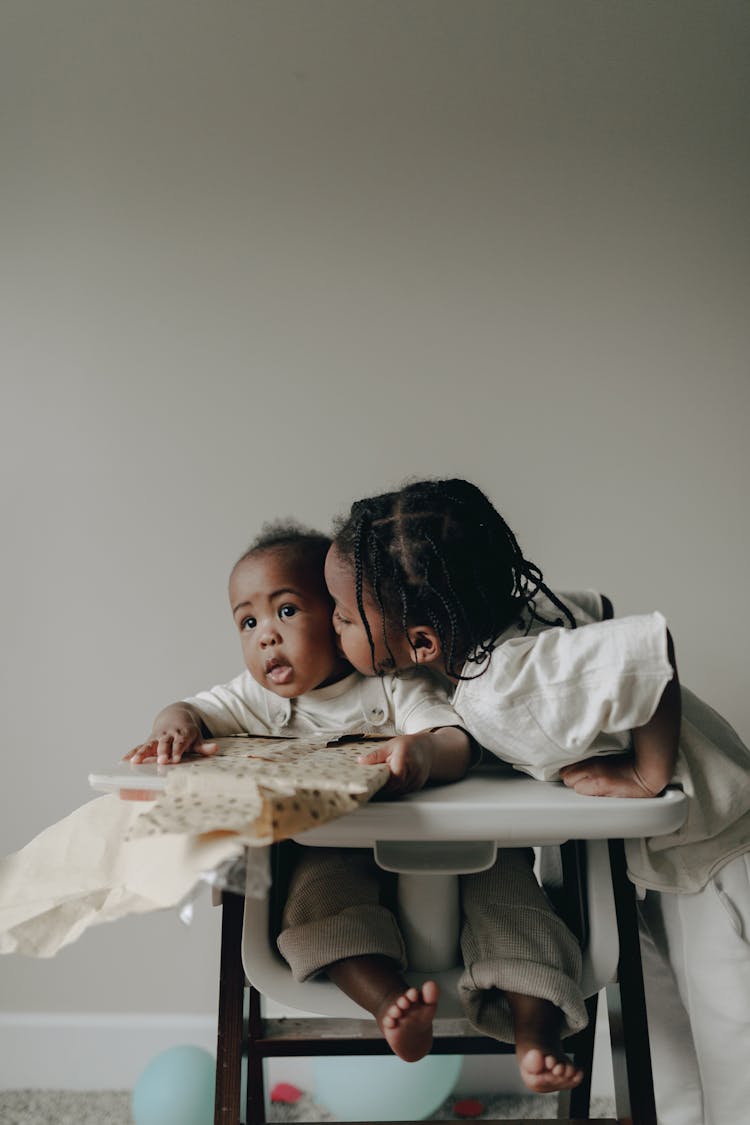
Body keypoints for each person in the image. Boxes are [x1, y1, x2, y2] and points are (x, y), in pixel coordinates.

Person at [326, 476, 750, 1125]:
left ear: (422, 643)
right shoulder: (488, 642)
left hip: (721, 847)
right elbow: (594, 605)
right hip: (663, 859)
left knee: (732, 1035)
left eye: (346, 615)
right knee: (662, 1028)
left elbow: (650, 654)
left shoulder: (507, 684)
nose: (334, 624)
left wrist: (644, 772)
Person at [129, 520, 588, 1092]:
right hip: (338, 853)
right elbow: (192, 708)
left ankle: (535, 1034)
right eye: (248, 622)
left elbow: (453, 738)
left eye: (287, 611)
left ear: (344, 617)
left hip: (461, 851)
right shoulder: (257, 700)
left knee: (516, 906)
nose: (265, 636)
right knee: (316, 909)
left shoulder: (393, 683)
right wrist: (172, 726)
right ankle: (391, 1005)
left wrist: (421, 753)